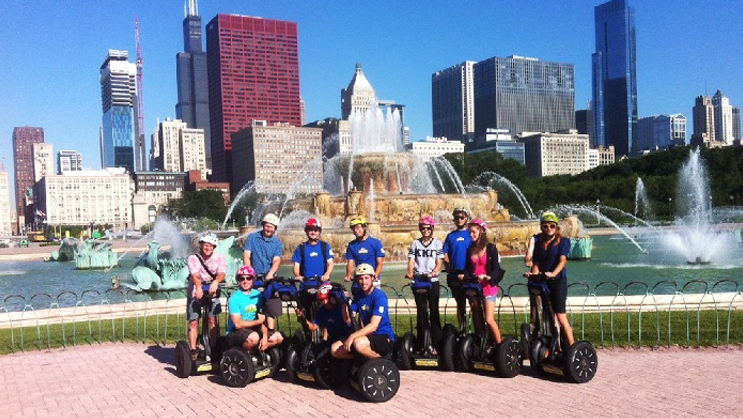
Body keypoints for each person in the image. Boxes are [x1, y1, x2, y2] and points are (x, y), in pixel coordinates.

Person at [528, 211, 574, 349]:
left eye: (552, 226)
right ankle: (557, 347)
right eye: (545, 226)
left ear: (557, 227)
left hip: (557, 281)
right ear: (542, 227)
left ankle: (572, 348)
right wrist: (533, 276)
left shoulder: (564, 242)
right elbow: (536, 263)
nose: (549, 229)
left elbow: (562, 260)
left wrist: (553, 273)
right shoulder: (539, 243)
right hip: (543, 281)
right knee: (550, 317)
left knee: (560, 316)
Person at [332, 264, 395, 359]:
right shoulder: (359, 296)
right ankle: (362, 360)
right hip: (366, 336)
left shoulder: (379, 296)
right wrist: (343, 303)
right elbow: (348, 319)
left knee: (358, 343)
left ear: (373, 278)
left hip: (383, 336)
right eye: (360, 279)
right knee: (335, 349)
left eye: (366, 278)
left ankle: (382, 362)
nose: (363, 282)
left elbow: (373, 326)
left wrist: (352, 336)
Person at [406, 216, 444, 353]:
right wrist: (410, 272)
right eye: (423, 228)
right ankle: (421, 344)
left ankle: (437, 344)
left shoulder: (437, 244)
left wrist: (435, 272)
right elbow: (411, 260)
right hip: (419, 280)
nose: (425, 230)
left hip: (432, 281)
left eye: (428, 228)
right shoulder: (415, 243)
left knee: (434, 312)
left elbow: (440, 261)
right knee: (421, 313)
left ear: (432, 229)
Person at [462, 219, 504, 345]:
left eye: (473, 232)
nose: (471, 235)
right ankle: (482, 341)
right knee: (477, 317)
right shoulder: (470, 249)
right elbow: (467, 269)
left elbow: (496, 268)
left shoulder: (491, 248)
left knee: (489, 319)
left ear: (481, 231)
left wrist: (489, 277)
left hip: (488, 287)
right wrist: (464, 275)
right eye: (470, 233)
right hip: (475, 286)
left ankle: (500, 345)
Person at [186, 231, 227, 360]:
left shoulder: (219, 258)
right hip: (195, 292)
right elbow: (195, 275)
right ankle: (193, 349)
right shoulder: (193, 258)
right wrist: (198, 287)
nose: (207, 248)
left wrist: (215, 282)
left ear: (214, 247)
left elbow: (221, 273)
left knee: (212, 320)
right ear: (201, 245)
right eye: (205, 245)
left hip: (212, 291)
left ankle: (214, 348)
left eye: (210, 245)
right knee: (194, 321)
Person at [226, 265, 284, 350]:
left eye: (248, 278)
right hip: (236, 332)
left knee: (278, 337)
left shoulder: (259, 295)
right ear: (238, 280)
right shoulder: (234, 299)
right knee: (254, 337)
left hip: (255, 329)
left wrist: (264, 337)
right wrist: (259, 321)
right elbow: (238, 324)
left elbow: (263, 318)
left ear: (253, 279)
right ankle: (244, 353)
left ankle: (258, 350)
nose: (245, 281)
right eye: (242, 279)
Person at [243, 213, 283, 332]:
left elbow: (276, 260)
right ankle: (252, 331)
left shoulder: (276, 243)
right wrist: (250, 272)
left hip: (270, 277)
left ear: (275, 228)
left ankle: (270, 332)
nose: (268, 229)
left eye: (271, 227)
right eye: (267, 226)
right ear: (263, 225)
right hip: (255, 277)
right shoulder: (252, 238)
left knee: (270, 305)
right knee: (252, 306)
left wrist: (271, 274)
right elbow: (246, 256)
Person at [443, 207, 471, 332]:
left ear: (466, 218)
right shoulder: (451, 236)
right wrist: (448, 266)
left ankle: (478, 329)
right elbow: (445, 253)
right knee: (460, 304)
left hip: (469, 275)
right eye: (456, 217)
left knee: (474, 303)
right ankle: (462, 328)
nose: (459, 220)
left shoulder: (471, 233)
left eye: (461, 217)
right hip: (455, 274)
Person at [344, 216, 385, 286]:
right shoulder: (351, 245)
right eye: (353, 229)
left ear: (364, 227)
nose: (356, 231)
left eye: (358, 227)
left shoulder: (376, 243)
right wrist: (348, 275)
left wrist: (376, 275)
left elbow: (380, 263)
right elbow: (350, 263)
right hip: (359, 278)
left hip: (373, 278)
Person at [292, 217, 334, 282]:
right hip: (306, 283)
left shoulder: (325, 246)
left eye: (316, 230)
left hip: (322, 283)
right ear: (306, 231)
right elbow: (296, 265)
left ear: (319, 232)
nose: (313, 232)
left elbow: (330, 263)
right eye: (310, 230)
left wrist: (327, 274)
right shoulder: (301, 247)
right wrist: (298, 275)